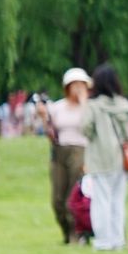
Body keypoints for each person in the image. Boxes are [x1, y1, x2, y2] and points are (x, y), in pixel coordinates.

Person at [80, 64, 128, 251]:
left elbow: (86, 129)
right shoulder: (123, 105)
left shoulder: (94, 105)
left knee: (101, 201)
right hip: (120, 158)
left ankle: (103, 241)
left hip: (100, 157)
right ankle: (117, 240)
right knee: (118, 201)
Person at [49, 68, 91, 241]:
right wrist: (44, 119)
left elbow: (92, 128)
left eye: (82, 85)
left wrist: (84, 102)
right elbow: (52, 133)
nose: (78, 88)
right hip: (60, 149)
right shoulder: (58, 107)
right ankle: (66, 232)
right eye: (75, 85)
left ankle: (77, 234)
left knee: (73, 196)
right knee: (57, 198)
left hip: (80, 150)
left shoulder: (89, 108)